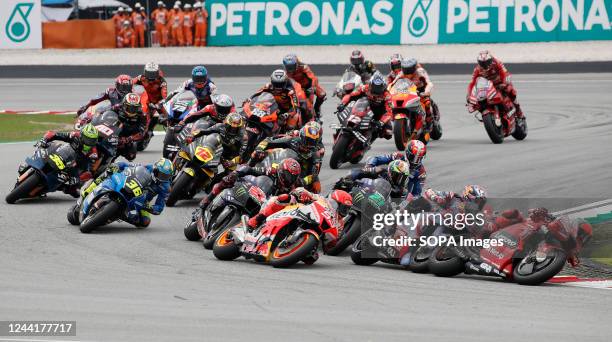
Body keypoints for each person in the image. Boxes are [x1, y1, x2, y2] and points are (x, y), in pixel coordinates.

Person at [83, 158, 174, 228]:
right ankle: (90, 188)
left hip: (140, 201)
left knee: (145, 222)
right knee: (109, 172)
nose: (163, 178)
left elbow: (159, 208)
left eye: (166, 176)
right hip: (126, 186)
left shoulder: (166, 188)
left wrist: (148, 207)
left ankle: (115, 215)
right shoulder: (148, 167)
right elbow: (129, 166)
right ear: (155, 170)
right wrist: (118, 165)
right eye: (162, 175)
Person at [198, 158, 301, 210]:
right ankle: (208, 199)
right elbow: (249, 169)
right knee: (227, 180)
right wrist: (235, 173)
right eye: (287, 175)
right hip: (253, 190)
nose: (289, 179)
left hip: (264, 206)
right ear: (281, 171)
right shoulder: (271, 171)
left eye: (292, 177)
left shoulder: (291, 188)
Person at [250, 121, 323, 193]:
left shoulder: (315, 154)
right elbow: (267, 141)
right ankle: (248, 169)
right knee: (256, 154)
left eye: (312, 142)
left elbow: (314, 175)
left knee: (316, 187)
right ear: (302, 137)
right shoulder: (292, 140)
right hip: (283, 162)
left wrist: (302, 181)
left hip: (300, 172)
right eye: (307, 141)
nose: (309, 145)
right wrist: (258, 150)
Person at [246, 188, 352, 231]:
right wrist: (303, 195)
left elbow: (332, 246)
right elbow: (300, 190)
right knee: (285, 198)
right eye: (342, 207)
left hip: (311, 234)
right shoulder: (321, 199)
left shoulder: (340, 224)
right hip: (300, 213)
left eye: (346, 209)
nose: (343, 211)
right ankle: (257, 219)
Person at [39, 123, 100, 196]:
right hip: (63, 154)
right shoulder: (75, 135)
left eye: (92, 141)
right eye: (87, 139)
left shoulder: (93, 153)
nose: (89, 142)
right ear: (81, 135)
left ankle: (44, 190)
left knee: (74, 192)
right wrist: (45, 139)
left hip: (74, 168)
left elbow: (88, 170)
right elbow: (57, 135)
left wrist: (78, 179)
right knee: (47, 149)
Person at [467, 50, 524, 118]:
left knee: (511, 92)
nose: (485, 65)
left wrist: (505, 83)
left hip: (500, 84)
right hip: (488, 88)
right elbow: (472, 83)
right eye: (482, 63)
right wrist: (470, 94)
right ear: (479, 62)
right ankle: (488, 114)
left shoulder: (497, 63)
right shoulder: (477, 69)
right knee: (480, 102)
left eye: (487, 62)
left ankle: (519, 112)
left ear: (491, 60)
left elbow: (504, 73)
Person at [339, 72, 393, 139]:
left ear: (384, 87)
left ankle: (371, 135)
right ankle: (350, 121)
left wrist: (381, 122)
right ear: (370, 85)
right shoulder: (365, 88)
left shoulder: (387, 96)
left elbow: (389, 112)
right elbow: (351, 95)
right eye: (374, 88)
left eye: (378, 89)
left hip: (379, 114)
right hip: (365, 108)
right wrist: (343, 104)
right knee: (360, 100)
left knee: (388, 134)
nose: (375, 92)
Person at [337, 160, 413, 199]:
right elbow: (359, 171)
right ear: (390, 172)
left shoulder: (403, 191)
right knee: (342, 187)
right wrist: (349, 178)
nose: (399, 180)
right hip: (366, 195)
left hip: (381, 212)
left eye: (403, 178)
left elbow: (402, 208)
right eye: (397, 176)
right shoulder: (380, 170)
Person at [282, 54, 325, 119]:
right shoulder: (286, 73)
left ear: (296, 64)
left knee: (322, 94)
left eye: (292, 66)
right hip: (297, 88)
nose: (290, 69)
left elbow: (313, 78)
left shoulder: (304, 67)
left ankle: (317, 110)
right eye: (288, 67)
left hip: (309, 86)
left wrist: (313, 87)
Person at [112, 93, 149, 161]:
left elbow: (142, 132)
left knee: (131, 156)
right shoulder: (117, 107)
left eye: (134, 108)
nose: (131, 110)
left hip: (128, 136)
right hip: (114, 131)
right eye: (129, 107)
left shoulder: (142, 115)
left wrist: (129, 139)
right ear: (124, 104)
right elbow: (105, 112)